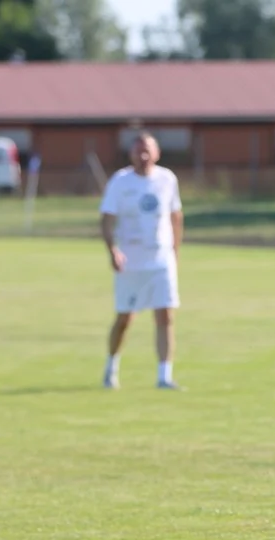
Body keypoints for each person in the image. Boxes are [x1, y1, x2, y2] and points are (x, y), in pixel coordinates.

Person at [99, 131, 184, 390]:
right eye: (138, 150)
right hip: (131, 261)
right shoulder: (121, 182)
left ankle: (164, 375)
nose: (143, 155)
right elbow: (107, 219)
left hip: (160, 259)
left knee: (165, 315)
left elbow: (176, 216)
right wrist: (113, 250)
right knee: (126, 317)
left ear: (156, 153)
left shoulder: (167, 179)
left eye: (148, 150)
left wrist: (175, 251)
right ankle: (111, 366)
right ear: (131, 154)